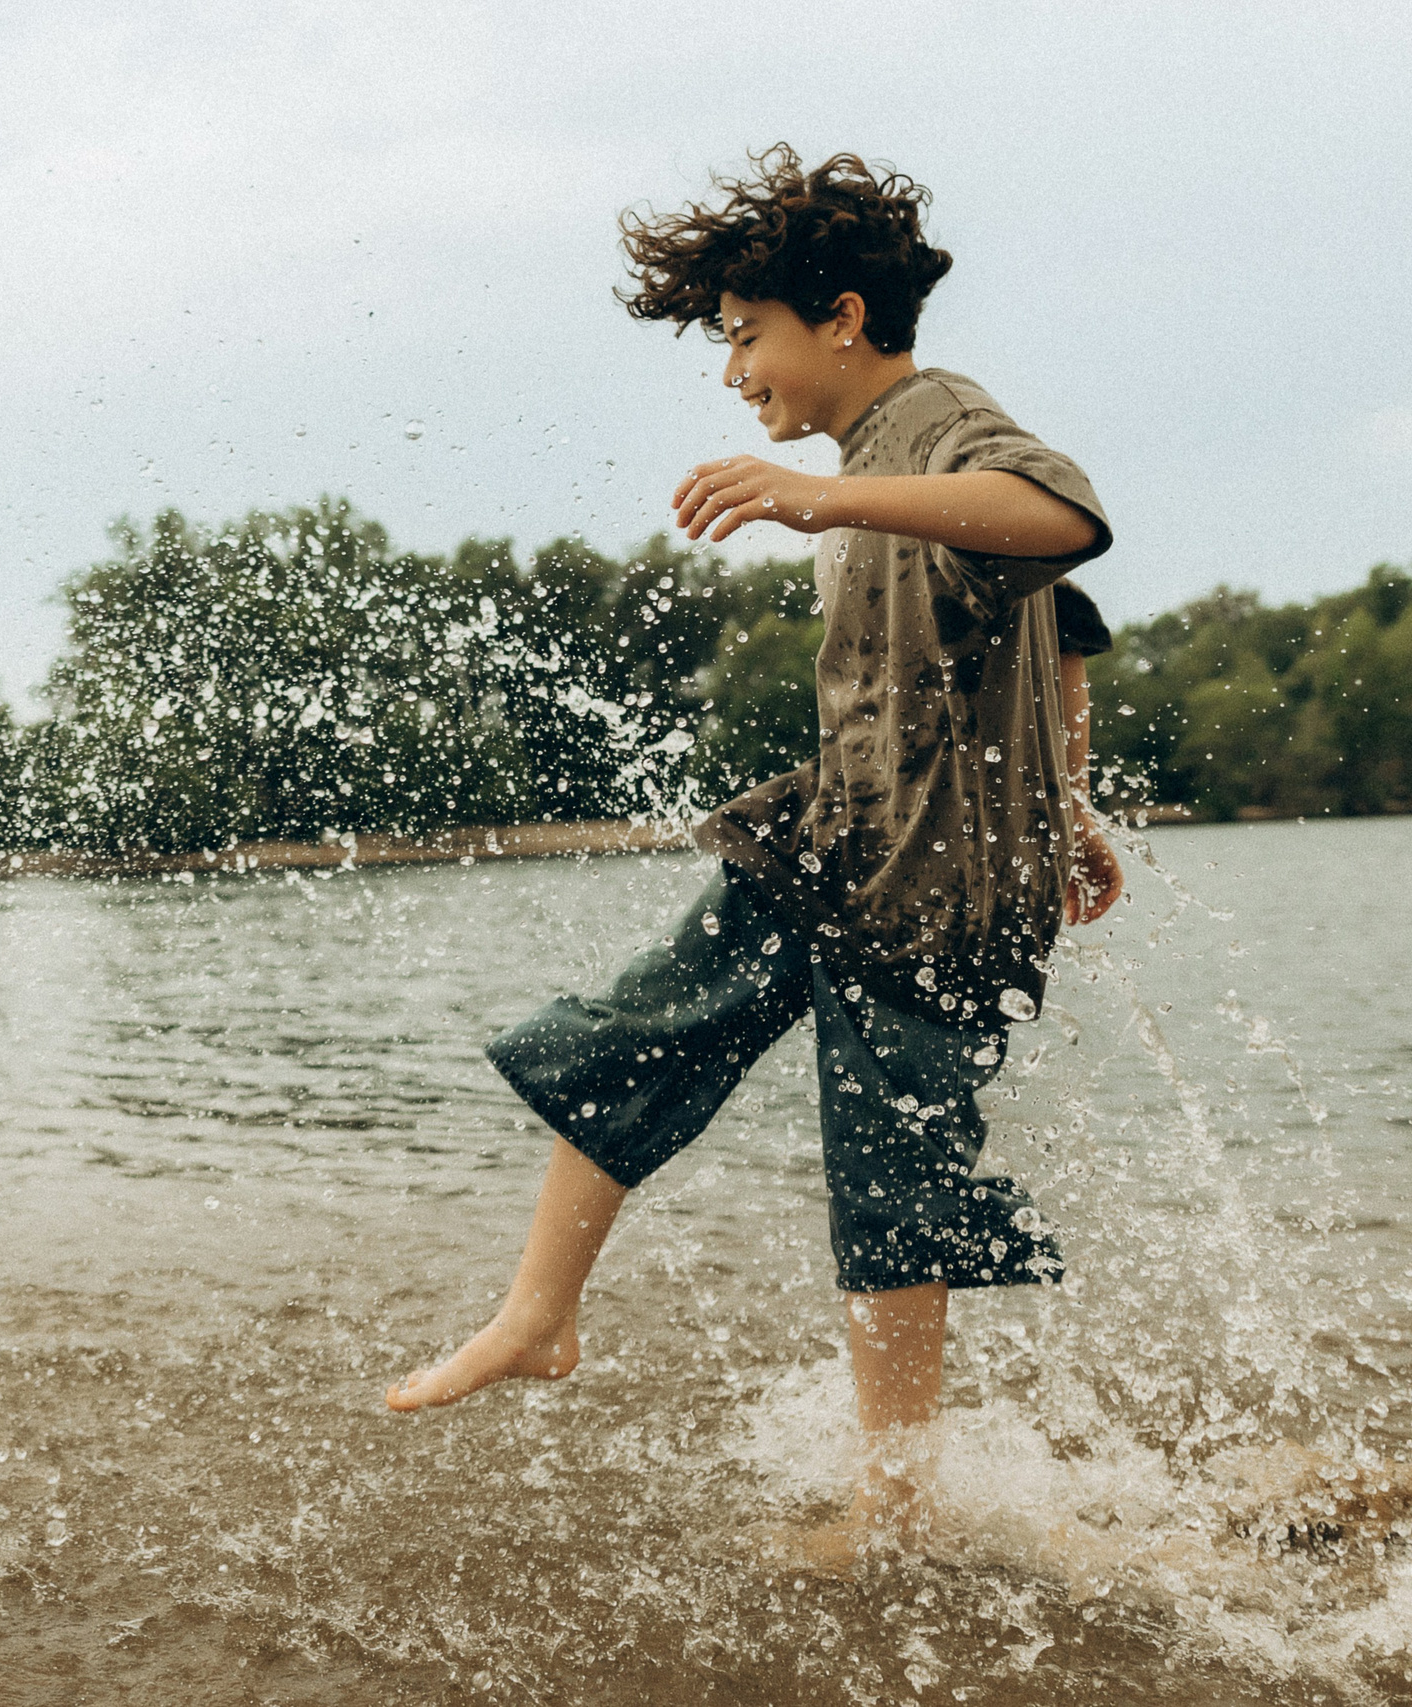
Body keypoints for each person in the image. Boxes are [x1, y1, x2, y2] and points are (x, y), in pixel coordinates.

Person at [385, 148, 1123, 1551]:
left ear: (840, 316)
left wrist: (820, 502)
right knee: (636, 1031)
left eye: (744, 336)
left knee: (895, 1187)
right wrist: (1069, 798)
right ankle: (539, 1315)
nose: (733, 373)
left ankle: (895, 1503)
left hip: (937, 888)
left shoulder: (944, 423)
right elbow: (1066, 633)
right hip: (842, 832)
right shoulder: (878, 458)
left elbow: (1064, 524)